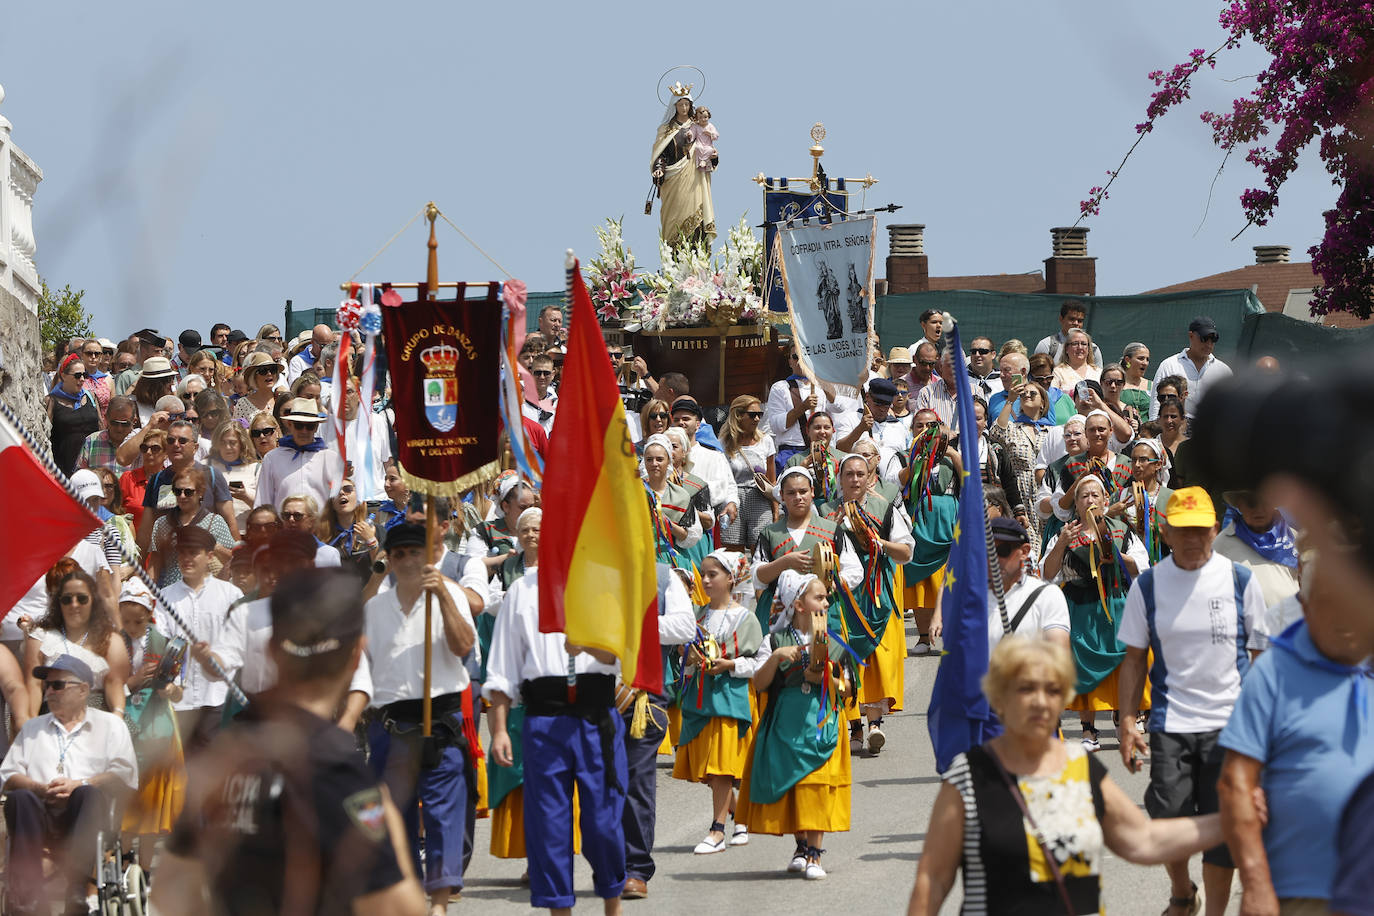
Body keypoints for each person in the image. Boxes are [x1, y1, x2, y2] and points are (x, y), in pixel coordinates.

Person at [154, 568, 426, 916]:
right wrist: (393, 831)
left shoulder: (226, 756)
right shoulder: (334, 766)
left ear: (271, 650)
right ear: (357, 654)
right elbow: (397, 909)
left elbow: (170, 890)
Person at [907, 636, 1226, 916]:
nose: (1041, 702)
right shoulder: (969, 776)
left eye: (1053, 690)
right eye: (1026, 689)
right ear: (999, 700)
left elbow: (1143, 840)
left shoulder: (1081, 767)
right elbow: (933, 879)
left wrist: (1231, 820)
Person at [1116, 487, 1269, 916]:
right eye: (1183, 530)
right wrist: (1128, 721)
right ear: (1165, 531)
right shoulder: (1148, 586)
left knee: (1224, 826)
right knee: (1169, 819)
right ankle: (1183, 893)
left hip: (1231, 725)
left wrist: (1262, 729)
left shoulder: (1240, 580)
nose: (1193, 539)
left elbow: (1261, 658)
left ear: (1216, 528)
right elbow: (1133, 659)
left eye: (1201, 530)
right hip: (1172, 721)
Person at [1217, 555, 1374, 916]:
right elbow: (1236, 783)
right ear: (1308, 605)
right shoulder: (1274, 672)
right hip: (1300, 886)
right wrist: (1255, 882)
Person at [364, 522, 478, 914]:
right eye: (400, 554)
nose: (409, 560)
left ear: (428, 556)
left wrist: (443, 596)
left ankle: (440, 903)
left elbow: (463, 645)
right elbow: (358, 667)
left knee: (444, 815)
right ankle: (409, 894)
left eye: (416, 552)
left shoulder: (451, 595)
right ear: (390, 561)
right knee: (394, 821)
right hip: (390, 726)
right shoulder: (374, 608)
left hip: (439, 722)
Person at [735, 570, 854, 880]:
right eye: (819, 597)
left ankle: (815, 853)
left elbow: (849, 688)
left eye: (826, 597)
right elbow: (760, 684)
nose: (826, 602)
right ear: (798, 604)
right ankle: (801, 845)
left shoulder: (836, 640)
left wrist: (827, 676)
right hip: (786, 721)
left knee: (815, 785)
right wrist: (775, 657)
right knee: (794, 785)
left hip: (821, 720)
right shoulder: (774, 639)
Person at [0, 654, 139, 916]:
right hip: (40, 812)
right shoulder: (33, 728)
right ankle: (27, 895)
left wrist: (80, 783)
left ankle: (76, 889)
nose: (49, 692)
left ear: (83, 690)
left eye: (58, 685)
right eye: (47, 686)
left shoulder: (110, 725)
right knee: (20, 797)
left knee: (87, 794)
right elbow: (7, 775)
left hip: (86, 816)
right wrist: (37, 787)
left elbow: (124, 772)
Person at [1041, 475, 1148, 751]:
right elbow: (1047, 574)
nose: (1089, 500)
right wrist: (1062, 543)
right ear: (1076, 504)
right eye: (1083, 496)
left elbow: (1142, 567)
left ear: (1104, 501)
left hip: (1116, 605)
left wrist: (1114, 553)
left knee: (1127, 662)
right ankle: (1088, 730)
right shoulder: (1064, 533)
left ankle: (1124, 717)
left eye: (1095, 495)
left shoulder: (1122, 530)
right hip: (1080, 609)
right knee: (1081, 666)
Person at [673, 550, 766, 854]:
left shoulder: (746, 618)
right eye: (703, 574)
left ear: (731, 578)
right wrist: (689, 658)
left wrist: (730, 665)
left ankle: (717, 830)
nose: (706, 580)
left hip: (732, 698)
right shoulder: (697, 616)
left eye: (713, 574)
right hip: (702, 699)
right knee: (711, 770)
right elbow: (686, 662)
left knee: (722, 767)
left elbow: (758, 664)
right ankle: (739, 815)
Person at [822, 454, 914, 754]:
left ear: (869, 476)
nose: (855, 479)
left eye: (860, 474)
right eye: (849, 474)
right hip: (842, 592)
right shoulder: (824, 511)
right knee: (845, 656)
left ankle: (874, 724)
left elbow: (905, 551)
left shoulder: (884, 508)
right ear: (841, 477)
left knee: (876, 656)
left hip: (876, 590)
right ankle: (855, 727)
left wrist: (879, 544)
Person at [116, 579, 186, 873]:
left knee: (152, 802)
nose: (132, 626)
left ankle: (144, 869)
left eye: (138, 621)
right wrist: (131, 683)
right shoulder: (113, 643)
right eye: (127, 621)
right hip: (126, 726)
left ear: (149, 615)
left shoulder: (163, 644)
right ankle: (122, 859)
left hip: (158, 729)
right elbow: (105, 688)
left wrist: (169, 691)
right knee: (126, 797)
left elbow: (179, 690)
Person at [161, 526, 246, 751]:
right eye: (182, 553)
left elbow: (238, 646)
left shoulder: (231, 595)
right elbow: (162, 644)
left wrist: (216, 659)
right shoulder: (164, 597)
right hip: (179, 702)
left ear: (209, 556)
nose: (186, 558)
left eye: (193, 553)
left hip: (219, 698)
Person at [22, 567, 129, 715]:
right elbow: (33, 686)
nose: (74, 604)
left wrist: (117, 716)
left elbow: (114, 683)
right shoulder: (40, 637)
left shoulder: (110, 639)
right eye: (67, 599)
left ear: (93, 600)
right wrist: (31, 725)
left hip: (97, 714)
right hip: (51, 715)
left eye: (82, 598)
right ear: (58, 603)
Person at [1212, 489, 1301, 616]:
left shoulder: (1294, 538)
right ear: (1239, 505)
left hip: (1291, 626)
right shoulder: (1222, 543)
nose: (1259, 509)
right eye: (1251, 503)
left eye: (1265, 502)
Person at [147, 467, 235, 585]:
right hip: (172, 592)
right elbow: (155, 561)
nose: (182, 496)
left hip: (205, 591)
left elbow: (231, 559)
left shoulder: (214, 522)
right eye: (178, 491)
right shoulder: (162, 523)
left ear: (200, 493)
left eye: (188, 492)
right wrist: (150, 590)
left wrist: (214, 546)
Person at [650, 92, 716, 250]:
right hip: (674, 182)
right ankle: (673, 260)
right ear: (675, 107)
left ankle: (699, 263)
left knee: (697, 218)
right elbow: (661, 154)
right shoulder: (666, 130)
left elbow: (708, 148)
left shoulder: (698, 126)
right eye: (681, 105)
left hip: (695, 178)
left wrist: (713, 156)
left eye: (687, 104)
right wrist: (659, 168)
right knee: (674, 220)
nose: (684, 108)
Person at [255, 398, 344, 512]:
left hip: (321, 527)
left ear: (316, 427)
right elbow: (263, 501)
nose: (304, 431)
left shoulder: (331, 458)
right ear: (290, 424)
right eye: (299, 425)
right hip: (285, 527)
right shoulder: (272, 459)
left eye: (309, 426)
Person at [718, 394, 777, 551]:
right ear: (738, 415)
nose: (757, 419)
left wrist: (776, 510)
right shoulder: (723, 442)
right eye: (752, 415)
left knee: (760, 549)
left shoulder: (766, 441)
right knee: (732, 552)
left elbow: (772, 480)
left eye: (760, 414)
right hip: (732, 498)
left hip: (759, 498)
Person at [1149, 317, 1232, 424]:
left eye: (1213, 339)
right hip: (1175, 428)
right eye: (1204, 338)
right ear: (1191, 336)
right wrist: (1154, 429)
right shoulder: (1169, 365)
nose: (1209, 344)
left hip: (1210, 430)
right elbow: (1157, 400)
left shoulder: (1224, 371)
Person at [763, 348, 833, 472]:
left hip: (819, 450)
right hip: (792, 452)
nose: (800, 360)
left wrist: (823, 381)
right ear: (790, 361)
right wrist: (802, 407)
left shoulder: (820, 386)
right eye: (796, 356)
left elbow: (838, 407)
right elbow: (776, 425)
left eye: (805, 356)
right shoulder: (780, 387)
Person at [642, 434, 702, 564]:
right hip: (641, 557)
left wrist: (667, 524)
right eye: (649, 459)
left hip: (672, 558)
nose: (654, 464)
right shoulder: (636, 492)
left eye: (659, 459)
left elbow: (690, 536)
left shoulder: (681, 495)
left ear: (669, 461)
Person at [46, 354, 103, 475]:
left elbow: (101, 426)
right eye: (77, 375)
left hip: (92, 467)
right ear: (63, 375)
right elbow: (46, 437)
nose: (82, 379)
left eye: (85, 375)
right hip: (63, 469)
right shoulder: (51, 401)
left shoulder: (91, 396)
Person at [318, 481, 379, 579]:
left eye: (348, 489)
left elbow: (384, 571)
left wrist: (371, 540)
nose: (342, 493)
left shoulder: (376, 530)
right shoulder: (323, 535)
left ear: (358, 497)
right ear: (331, 502)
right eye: (336, 491)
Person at [208, 420, 259, 518]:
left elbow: (265, 508)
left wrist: (245, 496)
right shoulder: (207, 467)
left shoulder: (256, 469)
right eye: (223, 443)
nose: (227, 447)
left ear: (241, 444)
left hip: (247, 530)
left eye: (232, 443)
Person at [77, 394, 138, 474]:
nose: (119, 429)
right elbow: (80, 475)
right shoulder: (91, 441)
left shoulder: (141, 445)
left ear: (134, 421)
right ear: (106, 418)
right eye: (114, 423)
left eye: (124, 424)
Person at [1034, 299, 1104, 367]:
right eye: (1072, 319)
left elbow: (1098, 376)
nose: (1076, 323)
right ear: (1061, 319)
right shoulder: (1047, 345)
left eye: (1080, 321)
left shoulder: (1093, 349)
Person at [233, 352, 284, 421]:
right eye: (263, 371)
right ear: (254, 377)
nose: (269, 374)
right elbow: (238, 430)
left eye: (273, 370)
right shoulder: (243, 404)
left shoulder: (282, 399)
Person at [1120, 342, 1153, 416]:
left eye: (1147, 359)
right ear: (1128, 360)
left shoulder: (1152, 386)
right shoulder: (1116, 384)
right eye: (1141, 358)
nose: (1145, 363)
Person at [688, 105, 718, 171]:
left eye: (705, 117)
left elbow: (716, 136)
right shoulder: (695, 126)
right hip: (699, 143)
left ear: (708, 117)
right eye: (700, 118)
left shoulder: (710, 126)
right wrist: (690, 134)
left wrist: (710, 134)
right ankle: (701, 161)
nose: (703, 119)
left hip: (708, 145)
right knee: (698, 148)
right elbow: (692, 134)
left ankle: (706, 162)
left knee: (710, 150)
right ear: (697, 118)